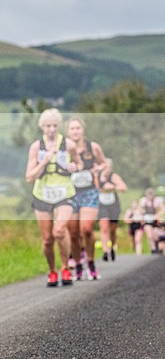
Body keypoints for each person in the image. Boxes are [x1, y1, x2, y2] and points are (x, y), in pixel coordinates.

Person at [25, 108, 82, 287]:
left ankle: (65, 268)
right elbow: (29, 177)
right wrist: (43, 161)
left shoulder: (68, 145)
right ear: (42, 127)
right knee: (48, 239)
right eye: (48, 126)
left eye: (55, 126)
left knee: (59, 231)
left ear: (59, 127)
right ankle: (51, 271)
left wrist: (74, 166)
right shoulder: (36, 147)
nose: (51, 129)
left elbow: (79, 163)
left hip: (64, 193)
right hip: (42, 194)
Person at [65, 116, 106, 280]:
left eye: (78, 128)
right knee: (73, 232)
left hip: (89, 192)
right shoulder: (64, 149)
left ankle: (91, 262)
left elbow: (104, 163)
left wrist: (98, 168)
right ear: (67, 132)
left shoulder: (93, 147)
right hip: (70, 192)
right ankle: (78, 265)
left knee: (86, 228)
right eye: (72, 129)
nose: (75, 131)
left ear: (83, 130)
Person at [96, 158, 127, 261]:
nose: (107, 168)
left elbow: (124, 188)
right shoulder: (96, 176)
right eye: (105, 166)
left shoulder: (113, 176)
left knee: (112, 229)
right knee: (103, 227)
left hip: (113, 205)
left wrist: (113, 187)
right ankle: (105, 251)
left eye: (109, 166)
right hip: (101, 205)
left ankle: (112, 247)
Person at [140, 188, 163, 254]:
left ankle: (157, 247)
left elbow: (163, 209)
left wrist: (157, 215)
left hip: (154, 220)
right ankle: (153, 249)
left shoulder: (156, 201)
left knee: (155, 235)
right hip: (147, 220)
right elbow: (140, 209)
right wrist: (142, 216)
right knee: (149, 235)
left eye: (151, 194)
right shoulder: (143, 201)